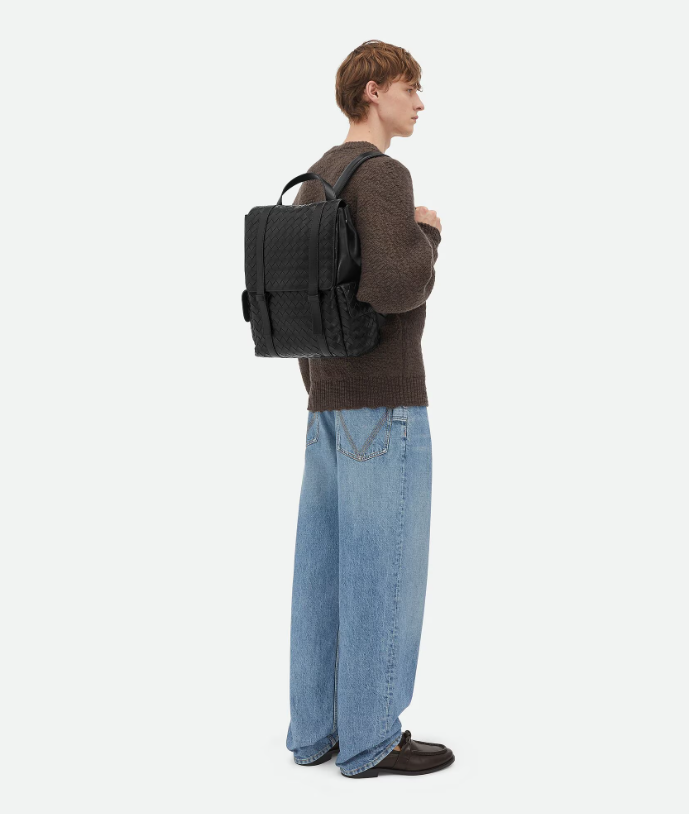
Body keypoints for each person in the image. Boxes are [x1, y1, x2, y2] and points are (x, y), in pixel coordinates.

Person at [285, 39, 453, 779]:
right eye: (410, 88)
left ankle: (314, 732)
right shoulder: (383, 175)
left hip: (325, 404)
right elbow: (393, 285)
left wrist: (321, 393)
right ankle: (370, 738)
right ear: (374, 91)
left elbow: (304, 301)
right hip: (385, 403)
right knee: (383, 571)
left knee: (322, 573)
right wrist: (428, 234)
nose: (419, 103)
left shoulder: (316, 178)